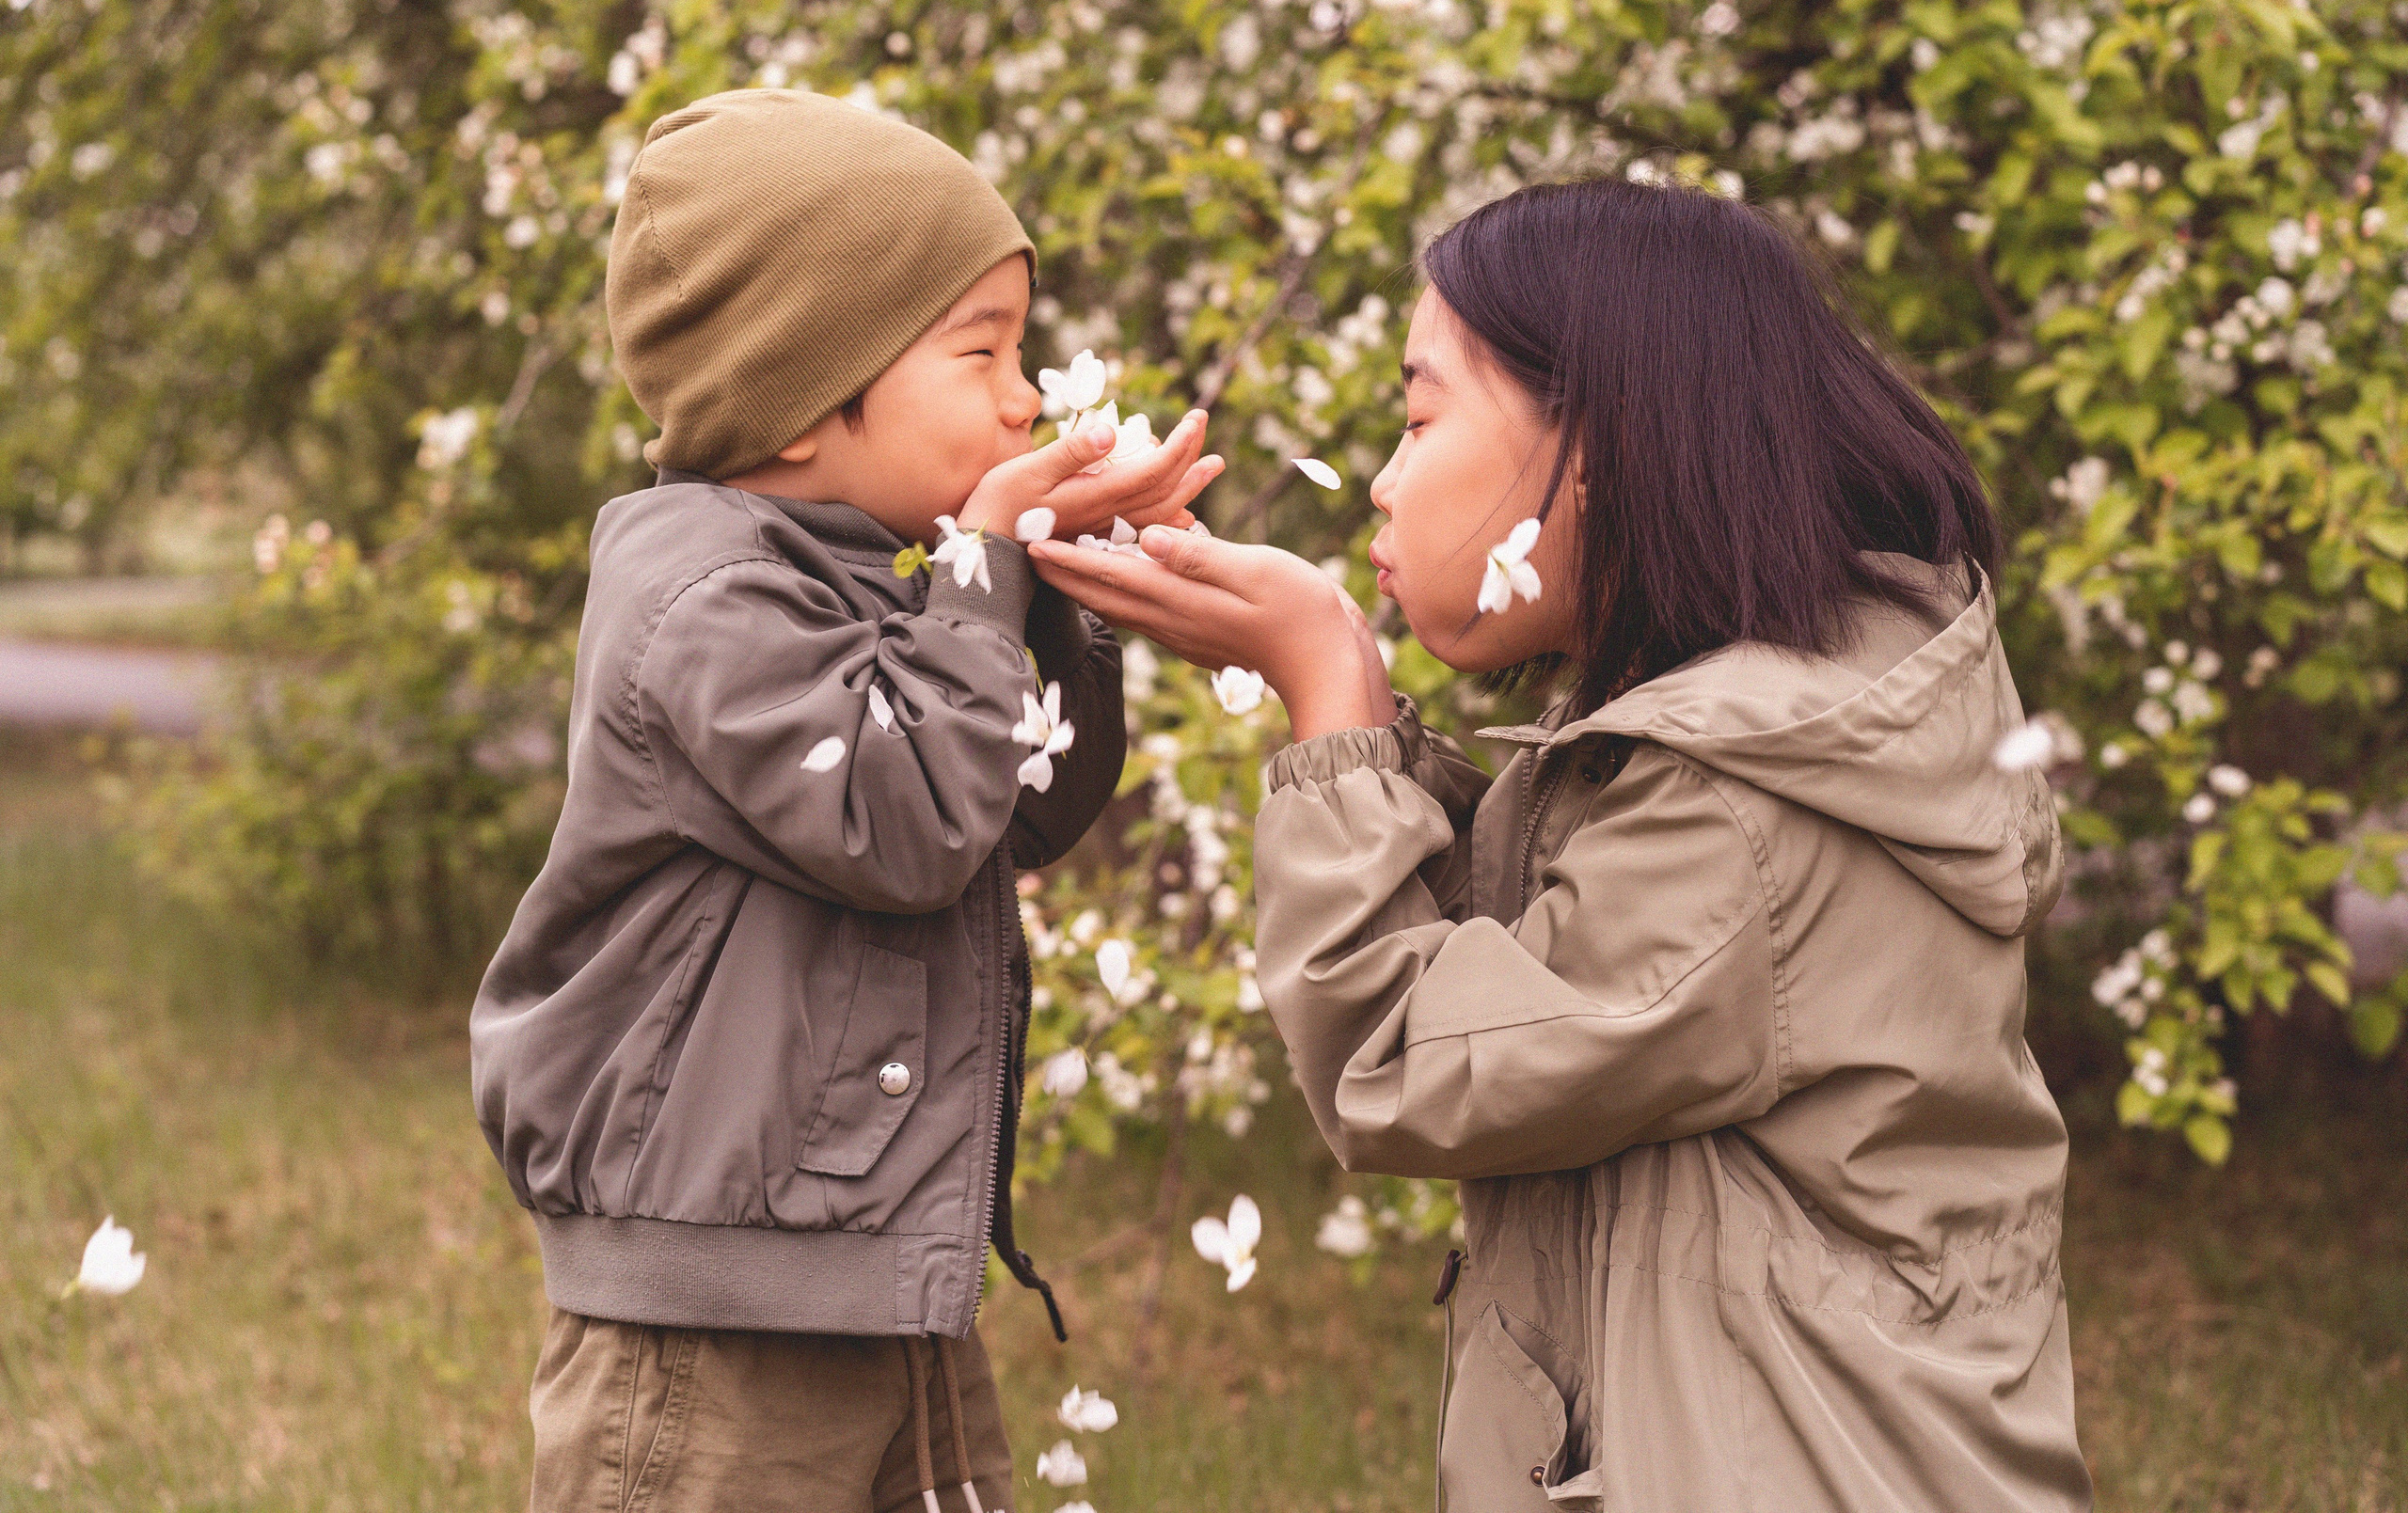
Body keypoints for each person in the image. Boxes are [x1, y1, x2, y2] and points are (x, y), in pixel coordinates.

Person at [1030, 178, 2091, 1511]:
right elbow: (1540, 963)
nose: (1381, 477)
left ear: (1598, 447)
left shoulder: (1743, 806)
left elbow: (1407, 1061)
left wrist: (1329, 690)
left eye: (1420, 420)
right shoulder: (1782, 729)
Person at [468, 88, 1218, 1513]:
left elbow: (1023, 811)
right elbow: (907, 822)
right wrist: (992, 562)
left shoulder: (883, 573)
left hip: (877, 1266)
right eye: (981, 352)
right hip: (713, 1330)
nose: (1026, 397)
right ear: (809, 398)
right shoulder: (705, 604)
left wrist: (1064, 587)